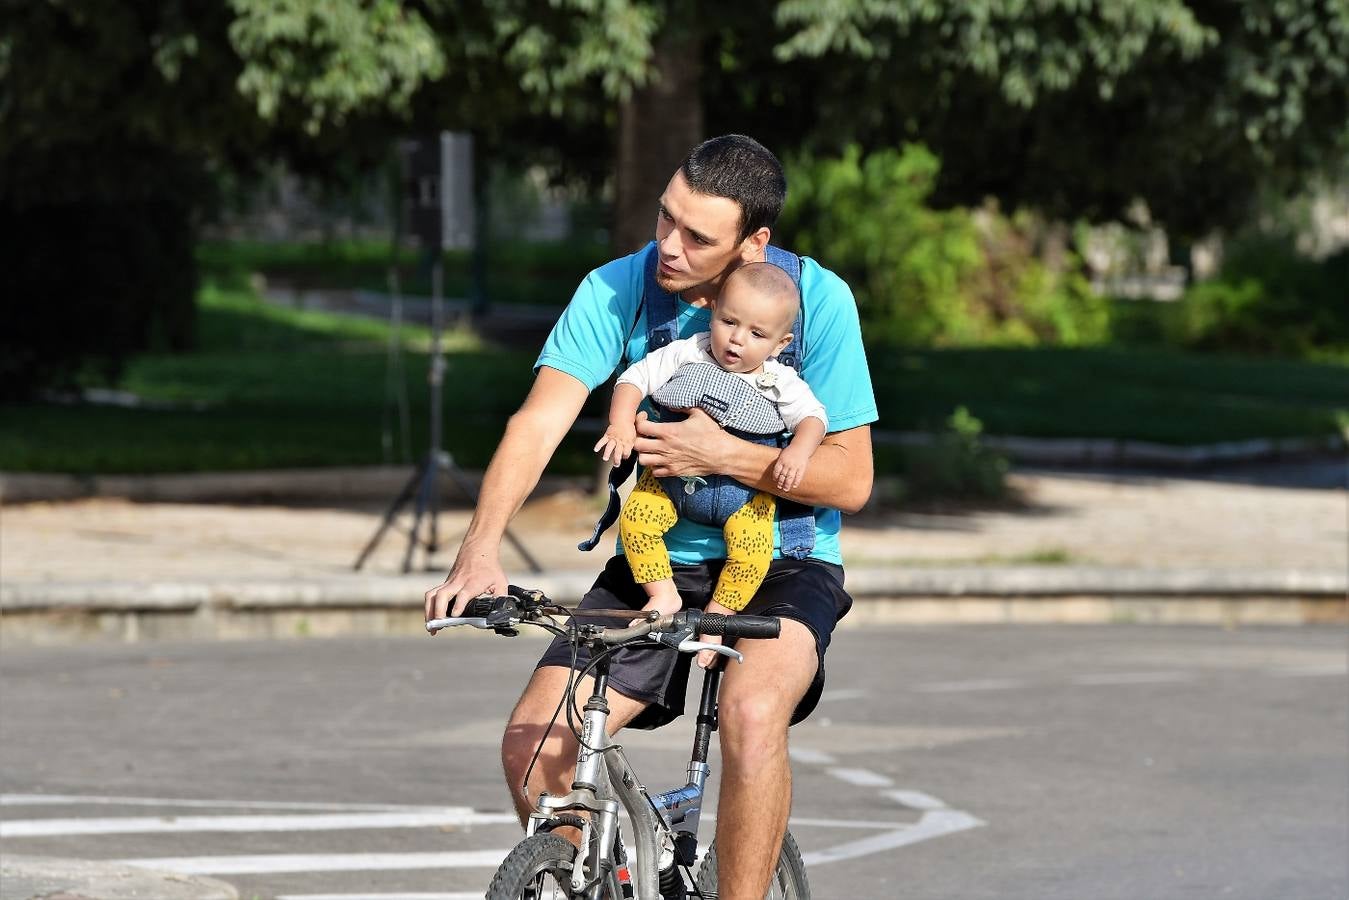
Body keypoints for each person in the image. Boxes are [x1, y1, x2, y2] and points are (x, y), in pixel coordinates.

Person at [424, 134, 876, 900]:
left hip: (777, 560)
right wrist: (479, 549)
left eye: (697, 236)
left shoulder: (814, 302)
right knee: (533, 746)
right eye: (664, 218)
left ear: (751, 242)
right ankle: (580, 879)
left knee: (751, 711)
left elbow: (851, 478)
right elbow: (537, 423)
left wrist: (723, 455)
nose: (668, 246)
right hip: (655, 558)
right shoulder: (616, 288)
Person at [594, 261, 828, 668]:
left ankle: (719, 613)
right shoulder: (689, 351)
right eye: (728, 321)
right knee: (636, 520)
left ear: (779, 344)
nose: (737, 340)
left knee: (753, 550)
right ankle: (661, 592)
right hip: (670, 481)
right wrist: (620, 424)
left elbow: (813, 419)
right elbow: (634, 378)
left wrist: (797, 451)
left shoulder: (779, 381)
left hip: (742, 497)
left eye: (757, 334)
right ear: (714, 310)